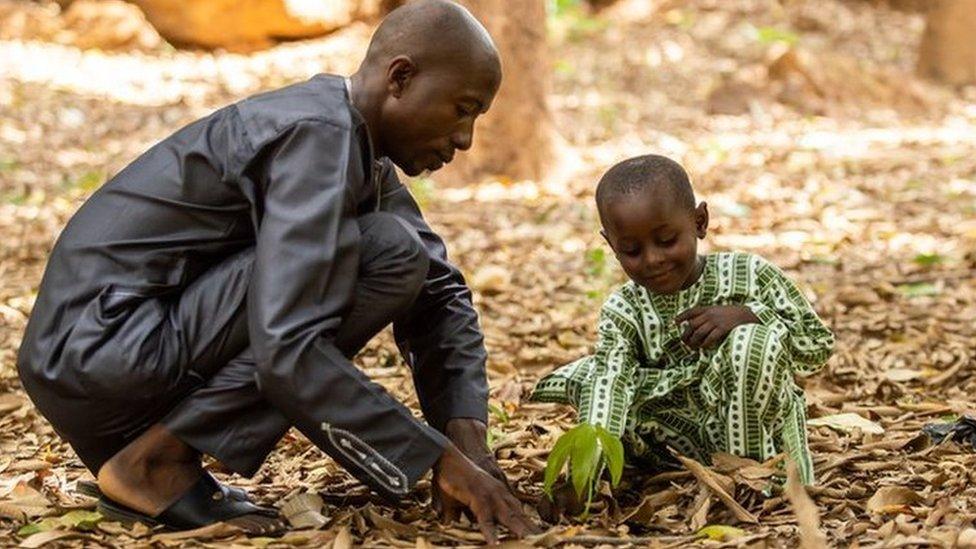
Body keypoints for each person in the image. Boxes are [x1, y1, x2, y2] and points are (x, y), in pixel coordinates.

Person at [17, 0, 535, 542]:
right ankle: (154, 465)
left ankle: (152, 455)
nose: (466, 138)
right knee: (385, 252)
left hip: (98, 359)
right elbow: (286, 348)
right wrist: (436, 461)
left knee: (398, 251)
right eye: (462, 109)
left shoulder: (354, 143)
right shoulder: (317, 136)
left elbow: (439, 291)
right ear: (400, 78)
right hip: (101, 348)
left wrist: (469, 442)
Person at [531, 154, 834, 515]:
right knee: (595, 375)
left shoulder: (751, 275)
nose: (653, 259)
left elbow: (816, 345)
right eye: (631, 250)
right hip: (672, 447)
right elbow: (610, 385)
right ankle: (643, 473)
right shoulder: (624, 309)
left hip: (756, 436)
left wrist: (750, 315)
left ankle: (754, 477)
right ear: (611, 245)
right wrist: (584, 479)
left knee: (752, 342)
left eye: (667, 240)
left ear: (699, 222)